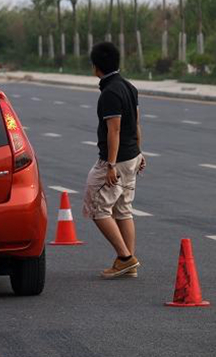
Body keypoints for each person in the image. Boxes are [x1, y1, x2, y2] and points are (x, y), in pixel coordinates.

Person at [83, 42, 146, 279]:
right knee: (123, 209)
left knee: (97, 206)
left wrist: (110, 165)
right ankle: (128, 261)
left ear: (95, 67)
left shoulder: (110, 93)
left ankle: (125, 258)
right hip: (132, 156)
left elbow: (115, 130)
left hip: (117, 161)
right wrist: (140, 151)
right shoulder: (129, 87)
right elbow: (136, 123)